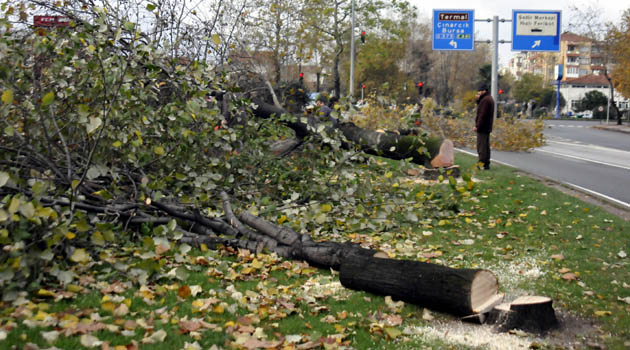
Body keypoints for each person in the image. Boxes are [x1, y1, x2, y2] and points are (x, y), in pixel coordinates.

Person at [474, 83, 495, 170]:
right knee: (486, 146)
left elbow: (482, 114)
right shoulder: (488, 98)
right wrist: (478, 100)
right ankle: (486, 164)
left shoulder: (485, 100)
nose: (479, 92)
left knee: (481, 146)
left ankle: (481, 163)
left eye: (480, 91)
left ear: (484, 90)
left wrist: (477, 126)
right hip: (487, 126)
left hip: (483, 127)